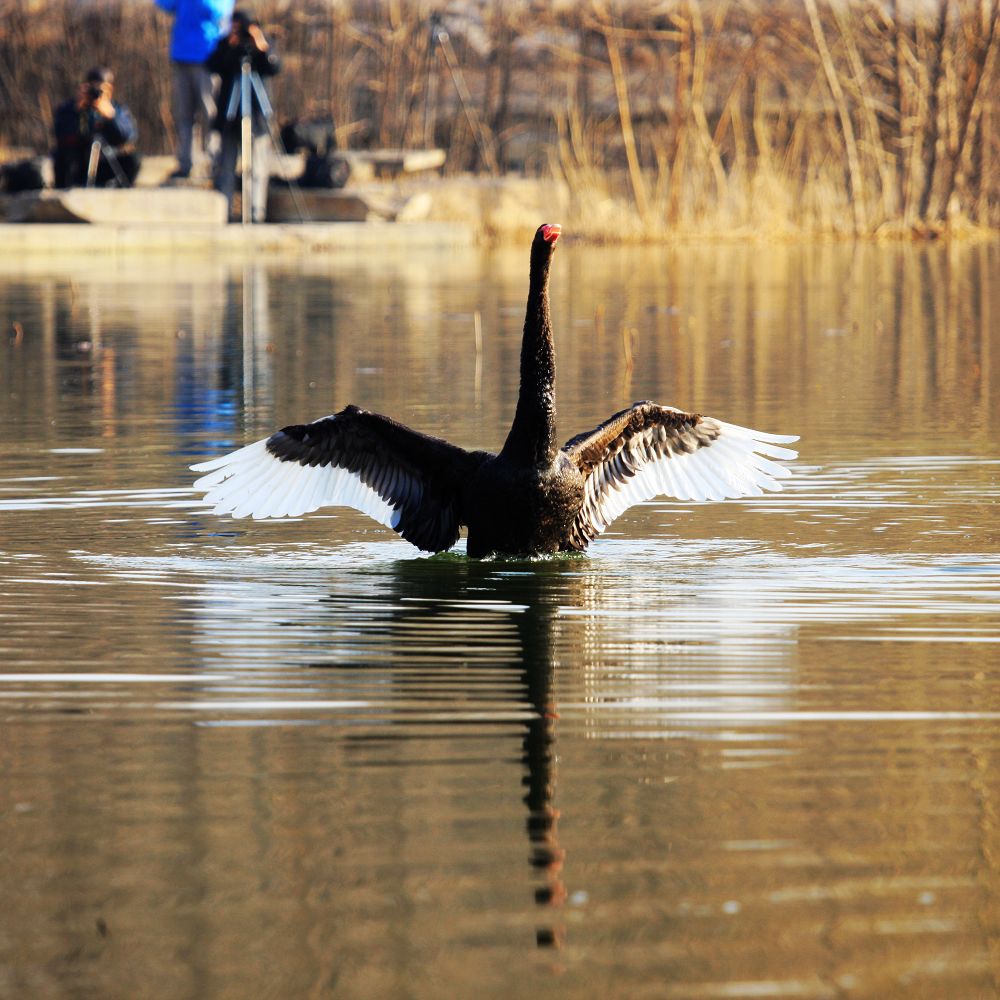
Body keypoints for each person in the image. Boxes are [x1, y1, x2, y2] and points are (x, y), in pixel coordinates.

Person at [207, 9, 280, 222]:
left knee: (258, 167)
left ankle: (256, 212)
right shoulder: (226, 45)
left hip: (257, 118)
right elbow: (212, 65)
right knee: (226, 166)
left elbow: (274, 66)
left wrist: (259, 41)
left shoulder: (262, 45)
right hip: (230, 117)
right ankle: (224, 212)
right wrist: (230, 45)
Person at [154, 0, 234, 179]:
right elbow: (165, 5)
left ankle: (214, 162)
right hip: (181, 56)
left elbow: (218, 11)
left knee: (210, 114)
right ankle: (185, 163)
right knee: (184, 115)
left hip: (208, 58)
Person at [52, 67, 141, 189]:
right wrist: (78, 111)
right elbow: (60, 133)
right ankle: (66, 191)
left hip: (106, 161)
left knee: (133, 159)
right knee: (62, 156)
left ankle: (118, 190)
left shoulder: (116, 109)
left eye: (100, 89)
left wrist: (111, 117)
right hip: (79, 162)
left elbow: (129, 136)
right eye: (92, 89)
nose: (95, 94)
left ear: (110, 89)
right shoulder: (71, 108)